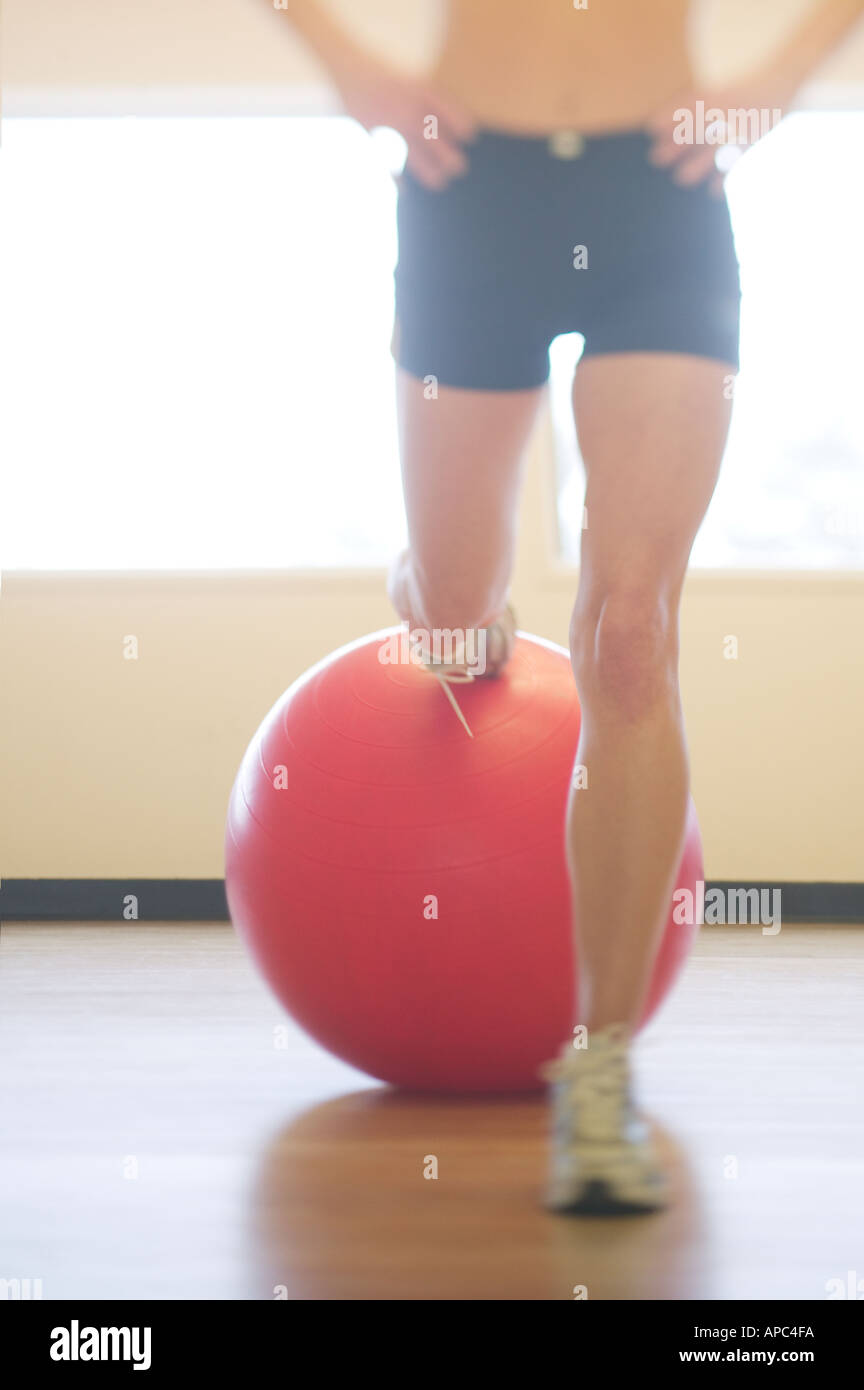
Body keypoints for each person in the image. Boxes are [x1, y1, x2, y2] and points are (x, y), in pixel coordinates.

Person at [272, 0, 864, 1213]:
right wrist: (346, 61)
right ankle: (441, 601)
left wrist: (785, 73)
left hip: (658, 192)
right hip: (468, 186)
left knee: (633, 633)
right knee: (448, 620)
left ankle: (600, 1071)